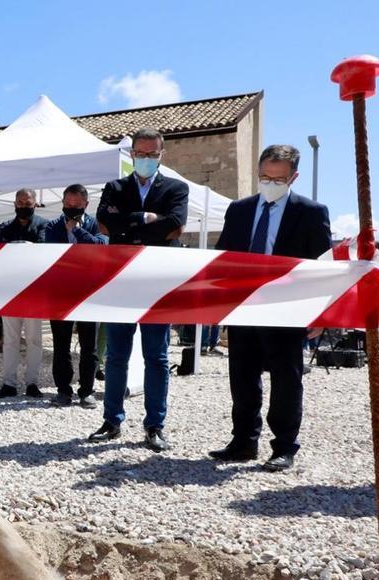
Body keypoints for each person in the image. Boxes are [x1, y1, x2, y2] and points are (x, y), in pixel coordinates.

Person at [207, 145, 331, 471]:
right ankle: (244, 441)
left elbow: (323, 266)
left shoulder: (312, 212)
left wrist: (322, 314)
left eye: (278, 178)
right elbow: (224, 257)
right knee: (242, 376)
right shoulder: (239, 210)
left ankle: (284, 446)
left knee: (286, 378)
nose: (270, 183)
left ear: (294, 177)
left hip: (287, 309)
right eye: (265, 177)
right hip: (244, 306)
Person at [89, 128, 188, 451]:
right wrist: (144, 218)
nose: (146, 159)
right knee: (116, 355)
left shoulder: (176, 187)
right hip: (121, 280)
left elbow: (175, 225)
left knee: (157, 357)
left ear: (162, 154)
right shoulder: (115, 187)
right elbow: (104, 222)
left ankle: (155, 425)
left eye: (153, 154)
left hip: (157, 282)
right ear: (132, 154)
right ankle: (112, 420)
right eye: (141, 154)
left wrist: (127, 223)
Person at [43, 184, 107, 408]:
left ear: (86, 205)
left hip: (89, 293)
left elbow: (100, 246)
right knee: (61, 345)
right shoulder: (52, 226)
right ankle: (63, 391)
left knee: (89, 346)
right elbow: (51, 255)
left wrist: (77, 230)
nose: (71, 208)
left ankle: (87, 391)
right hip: (60, 293)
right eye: (67, 204)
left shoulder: (94, 224)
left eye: (76, 205)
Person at [0, 189, 48, 399]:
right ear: (14, 204)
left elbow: (43, 252)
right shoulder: (6, 228)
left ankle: (32, 383)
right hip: (10, 292)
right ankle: (9, 383)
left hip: (34, 292)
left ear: (35, 203)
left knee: (34, 340)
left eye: (27, 202)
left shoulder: (43, 225)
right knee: (10, 340)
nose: (23, 205)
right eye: (20, 202)